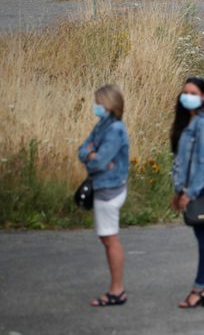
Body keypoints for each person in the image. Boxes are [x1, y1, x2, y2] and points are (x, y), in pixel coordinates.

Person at [170, 76, 204, 309]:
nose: (188, 97)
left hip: (200, 187)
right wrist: (178, 190)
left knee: (203, 236)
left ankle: (201, 287)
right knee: (202, 235)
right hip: (191, 187)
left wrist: (189, 193)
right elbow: (182, 160)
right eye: (185, 93)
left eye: (193, 93)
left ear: (203, 96)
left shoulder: (203, 124)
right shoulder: (188, 122)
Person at [78, 85, 129, 307]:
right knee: (106, 238)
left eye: (98, 102)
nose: (95, 106)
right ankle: (117, 288)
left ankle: (117, 290)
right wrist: (91, 154)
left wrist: (92, 155)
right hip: (103, 186)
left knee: (110, 239)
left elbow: (98, 161)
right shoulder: (103, 125)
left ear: (109, 105)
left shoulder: (115, 130)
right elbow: (83, 150)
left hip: (109, 189)